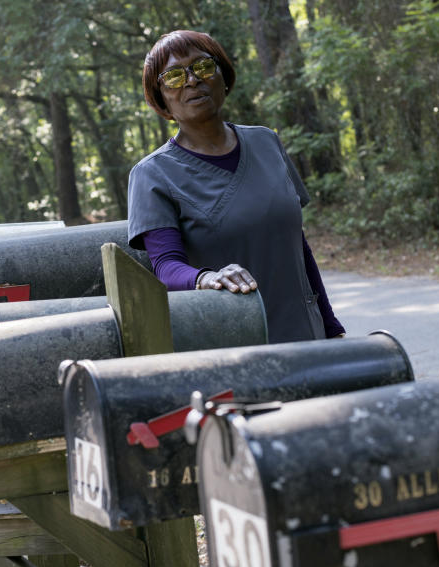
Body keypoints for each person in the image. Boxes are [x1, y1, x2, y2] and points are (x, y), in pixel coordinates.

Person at [127, 30, 345, 343]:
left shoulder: (266, 142)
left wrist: (331, 326)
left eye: (202, 67)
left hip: (305, 334)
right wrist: (206, 278)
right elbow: (166, 266)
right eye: (174, 76)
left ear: (223, 77)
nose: (191, 80)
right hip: (231, 346)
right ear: (161, 98)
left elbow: (297, 245)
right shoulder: (151, 175)